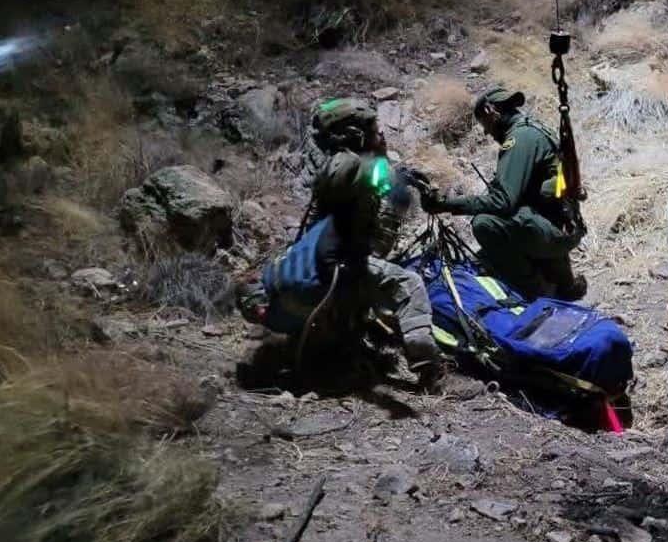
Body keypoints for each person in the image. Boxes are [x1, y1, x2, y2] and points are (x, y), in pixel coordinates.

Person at [239, 98, 444, 387]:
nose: (382, 135)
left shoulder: (332, 162)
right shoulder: (355, 165)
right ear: (358, 135)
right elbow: (387, 189)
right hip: (333, 267)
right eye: (375, 130)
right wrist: (396, 178)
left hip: (306, 270)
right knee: (408, 284)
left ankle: (331, 346)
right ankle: (429, 370)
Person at [421, 86, 586, 300]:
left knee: (484, 224)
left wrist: (446, 205)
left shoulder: (518, 139)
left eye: (485, 125)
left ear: (491, 111)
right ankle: (558, 277)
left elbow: (503, 202)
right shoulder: (532, 129)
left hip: (555, 232)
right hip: (562, 224)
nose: (487, 133)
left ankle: (537, 291)